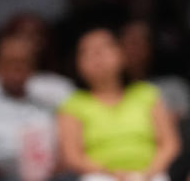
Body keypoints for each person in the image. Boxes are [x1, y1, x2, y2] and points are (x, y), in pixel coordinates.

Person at [56, 26, 180, 181]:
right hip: (100, 176)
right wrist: (111, 173)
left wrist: (149, 172)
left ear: (122, 55)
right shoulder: (73, 104)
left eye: (104, 48)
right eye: (87, 52)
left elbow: (170, 144)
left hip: (150, 174)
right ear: (78, 65)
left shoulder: (146, 93)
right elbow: (73, 157)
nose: (97, 56)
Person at [0, 32, 75, 181]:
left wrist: (64, 156)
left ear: (33, 67)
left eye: (23, 62)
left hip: (52, 174)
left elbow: (75, 128)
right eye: (9, 62)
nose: (16, 68)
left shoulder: (55, 91)